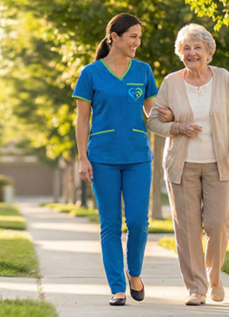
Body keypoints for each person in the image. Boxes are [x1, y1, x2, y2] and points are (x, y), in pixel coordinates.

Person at [145, 23, 229, 306]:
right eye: (186, 48)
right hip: (182, 165)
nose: (191, 53)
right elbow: (153, 121)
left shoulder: (224, 78)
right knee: (188, 228)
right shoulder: (171, 83)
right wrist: (178, 127)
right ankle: (196, 288)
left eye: (197, 47)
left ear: (208, 51)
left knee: (218, 225)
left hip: (219, 163)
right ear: (180, 53)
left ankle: (213, 277)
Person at [72, 13, 159, 306]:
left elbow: (155, 112)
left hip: (137, 157)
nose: (138, 42)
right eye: (133, 36)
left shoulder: (144, 71)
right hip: (102, 158)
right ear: (115, 37)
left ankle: (134, 273)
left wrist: (177, 113)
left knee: (138, 222)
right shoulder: (90, 73)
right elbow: (82, 120)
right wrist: (83, 157)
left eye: (139, 37)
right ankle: (117, 287)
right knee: (110, 224)